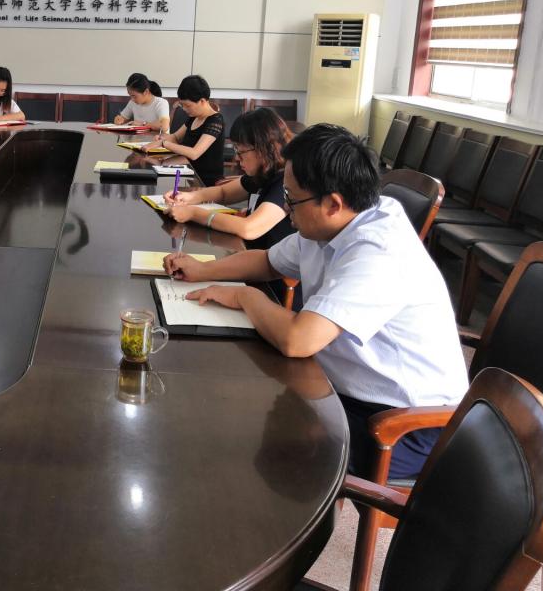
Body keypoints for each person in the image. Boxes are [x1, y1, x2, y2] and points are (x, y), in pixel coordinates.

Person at [164, 124, 468, 479]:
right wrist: (202, 270)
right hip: (345, 387)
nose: (286, 207)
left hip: (404, 424)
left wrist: (244, 295)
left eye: (291, 199)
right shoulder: (334, 221)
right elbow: (267, 261)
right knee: (236, 403)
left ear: (333, 204)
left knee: (254, 438)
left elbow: (298, 340)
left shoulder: (379, 251)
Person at [165, 107, 296, 303]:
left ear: (264, 149)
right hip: (248, 262)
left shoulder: (284, 182)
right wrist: (190, 197)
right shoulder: (263, 172)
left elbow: (249, 228)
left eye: (241, 152)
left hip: (270, 284)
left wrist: (193, 213)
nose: (236, 158)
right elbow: (224, 192)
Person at [142, 74, 224, 186]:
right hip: (188, 172)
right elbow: (175, 137)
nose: (184, 109)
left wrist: (163, 143)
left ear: (202, 101)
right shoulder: (194, 117)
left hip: (205, 181)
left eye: (188, 105)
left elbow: (194, 153)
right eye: (182, 105)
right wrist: (160, 140)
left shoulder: (216, 121)